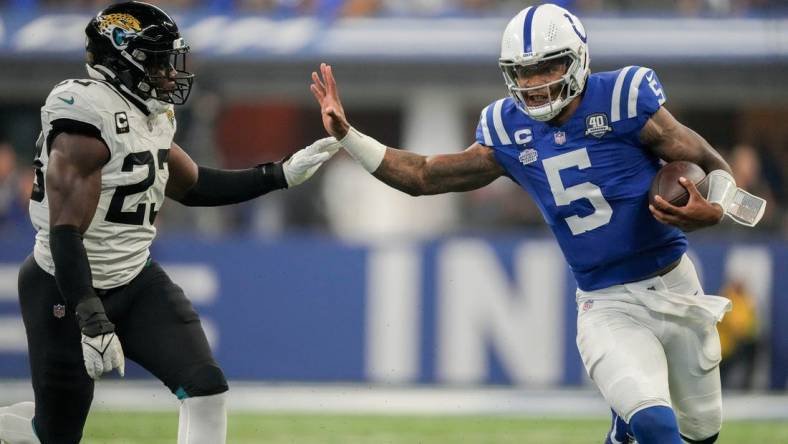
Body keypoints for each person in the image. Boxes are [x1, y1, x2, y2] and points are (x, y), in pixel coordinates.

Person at [310, 3, 766, 444]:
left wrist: (718, 208)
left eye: (548, 67)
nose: (535, 83)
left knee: (701, 432)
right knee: (657, 429)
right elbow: (424, 175)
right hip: (607, 304)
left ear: (578, 59)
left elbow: (708, 161)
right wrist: (349, 137)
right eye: (523, 72)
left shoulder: (625, 99)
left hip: (678, 285)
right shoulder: (507, 130)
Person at [0, 2, 339, 443]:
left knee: (205, 389)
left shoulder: (150, 113)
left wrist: (280, 173)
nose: (170, 72)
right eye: (159, 59)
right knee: (54, 436)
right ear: (123, 59)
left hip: (134, 278)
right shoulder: (86, 116)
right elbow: (66, 230)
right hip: (64, 284)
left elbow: (192, 185)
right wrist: (90, 314)